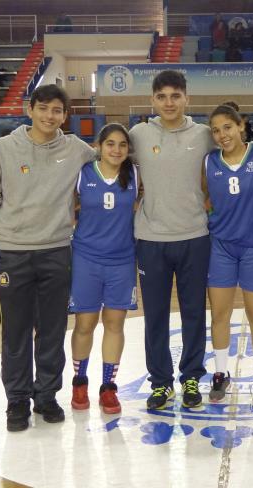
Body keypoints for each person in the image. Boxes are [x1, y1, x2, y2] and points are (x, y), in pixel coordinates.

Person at [130, 70, 253, 411]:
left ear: (186, 99)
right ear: (153, 100)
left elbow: (237, 146)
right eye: (162, 96)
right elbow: (106, 151)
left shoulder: (203, 135)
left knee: (195, 313)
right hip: (150, 238)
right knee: (156, 316)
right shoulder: (137, 134)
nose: (169, 102)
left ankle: (192, 377)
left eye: (175, 96)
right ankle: (161, 383)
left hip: (196, 237)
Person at [0, 84, 95, 432]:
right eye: (43, 108)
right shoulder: (1, 149)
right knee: (15, 332)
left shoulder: (75, 149)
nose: (49, 116)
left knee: (52, 330)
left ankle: (45, 395)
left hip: (57, 252)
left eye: (57, 110)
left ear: (65, 115)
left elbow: (110, 157)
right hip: (13, 254)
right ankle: (16, 400)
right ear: (30, 109)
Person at [203, 104, 253, 407]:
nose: (222, 135)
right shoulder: (208, 162)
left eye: (227, 127)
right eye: (216, 130)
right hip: (221, 246)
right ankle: (220, 373)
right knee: (220, 314)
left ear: (241, 126)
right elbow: (205, 198)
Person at [69, 123, 139, 415]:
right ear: (98, 146)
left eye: (122, 145)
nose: (116, 150)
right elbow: (67, 206)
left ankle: (109, 387)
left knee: (114, 324)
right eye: (110, 143)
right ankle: (79, 381)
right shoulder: (83, 173)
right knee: (84, 324)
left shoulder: (135, 174)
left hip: (122, 260)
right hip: (86, 258)